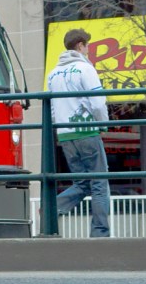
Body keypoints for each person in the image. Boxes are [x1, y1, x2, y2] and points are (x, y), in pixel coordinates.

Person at [47, 28, 111, 237]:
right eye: (87, 45)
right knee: (99, 182)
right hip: (86, 131)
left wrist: (60, 130)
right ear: (80, 46)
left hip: (66, 135)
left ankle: (52, 209)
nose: (89, 50)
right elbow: (98, 102)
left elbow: (53, 109)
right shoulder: (85, 68)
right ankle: (100, 232)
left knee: (81, 182)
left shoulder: (53, 74)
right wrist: (103, 125)